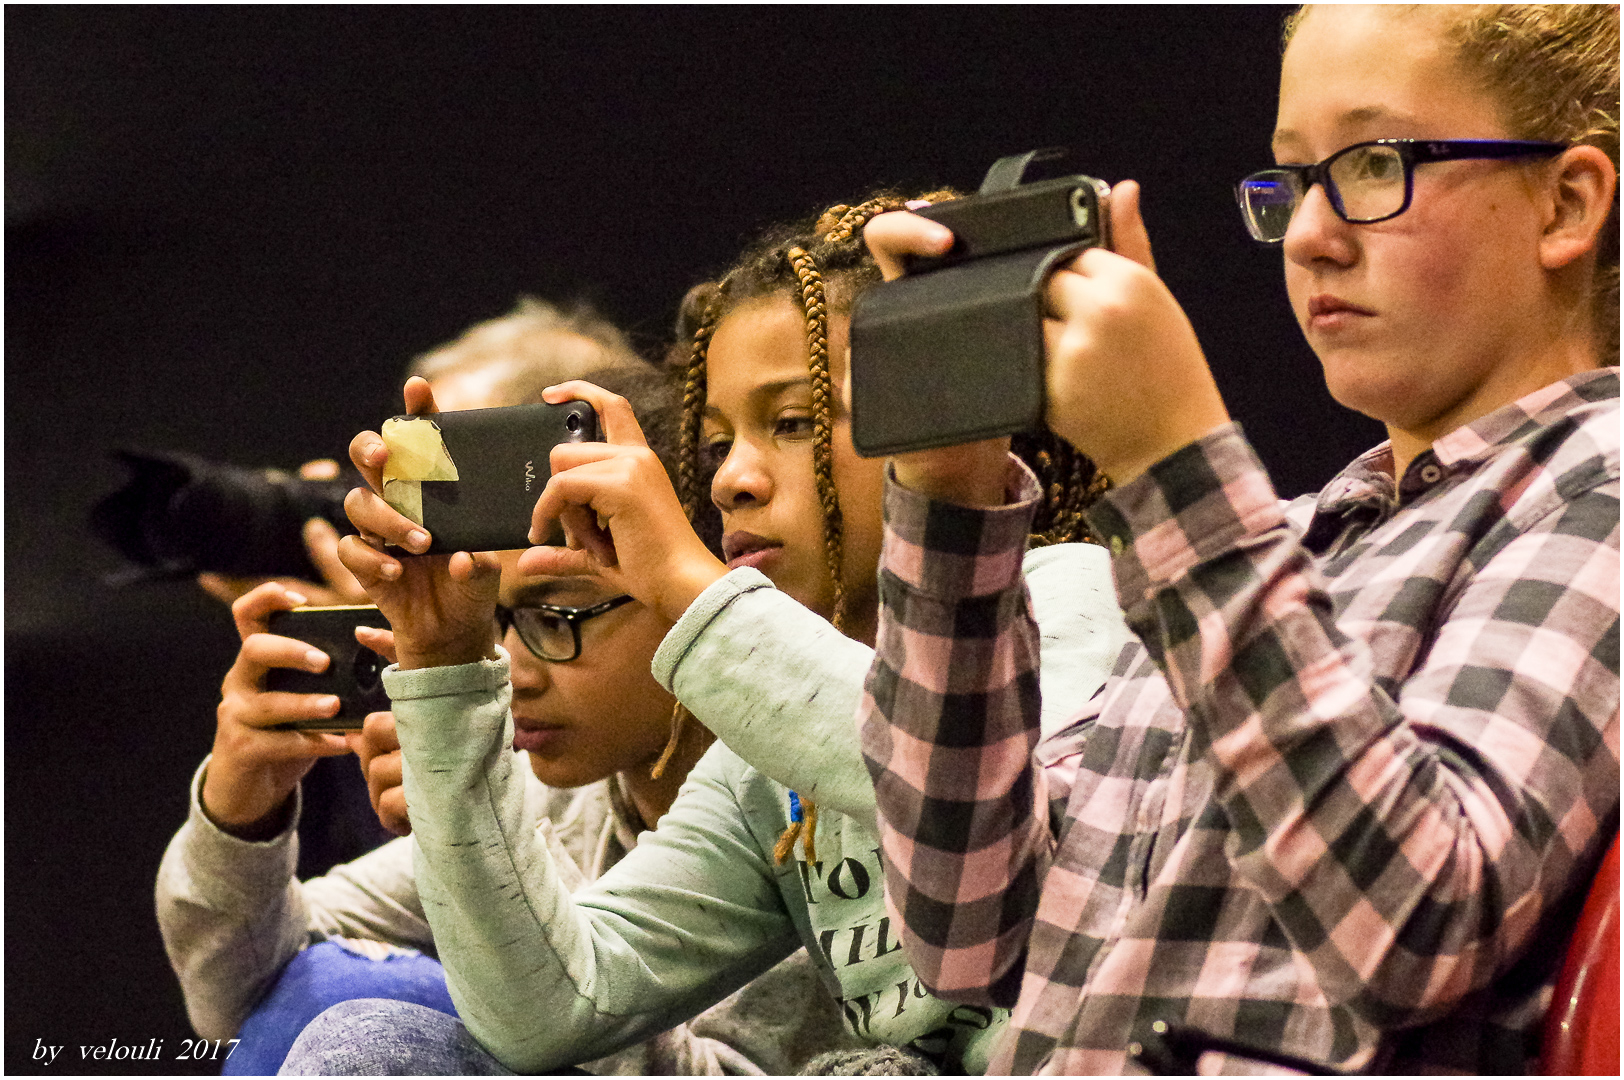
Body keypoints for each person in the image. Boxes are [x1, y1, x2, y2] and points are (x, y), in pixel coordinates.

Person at [858, 3, 1618, 1074]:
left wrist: (1174, 467)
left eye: (1373, 163)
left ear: (1565, 200)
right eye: (1294, 178)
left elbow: (1417, 921)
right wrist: (951, 487)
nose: (1309, 231)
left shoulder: (1597, 487)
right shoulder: (1295, 541)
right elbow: (966, 926)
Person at [305, 194, 1131, 1075]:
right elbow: (550, 1008)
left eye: (792, 423)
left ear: (940, 414)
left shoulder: (1065, 594)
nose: (732, 479)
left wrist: (692, 585)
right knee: (371, 1047)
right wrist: (448, 673)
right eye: (714, 445)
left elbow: (968, 813)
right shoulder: (756, 760)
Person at [157, 363, 860, 1075]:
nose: (516, 669)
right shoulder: (561, 797)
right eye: (500, 622)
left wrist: (495, 852)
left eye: (556, 615)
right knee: (326, 991)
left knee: (367, 1010)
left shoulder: (805, 795)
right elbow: (234, 993)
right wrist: (240, 815)